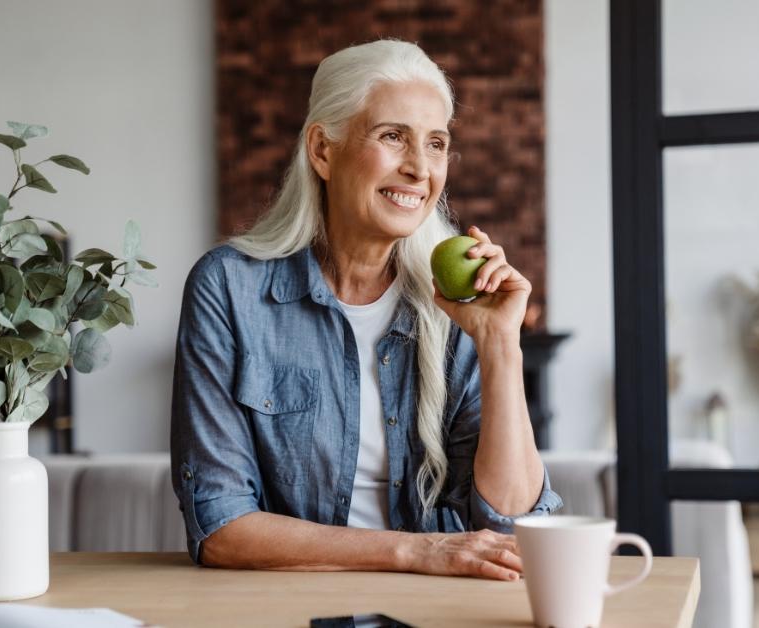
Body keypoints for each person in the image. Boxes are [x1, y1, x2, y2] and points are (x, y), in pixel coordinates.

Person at [170, 39, 561, 582]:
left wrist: (500, 343)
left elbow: (516, 527)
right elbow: (220, 526)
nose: (419, 169)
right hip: (291, 614)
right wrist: (417, 551)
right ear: (322, 150)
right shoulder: (230, 289)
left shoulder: (460, 302)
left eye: (436, 143)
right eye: (392, 136)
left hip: (439, 615)